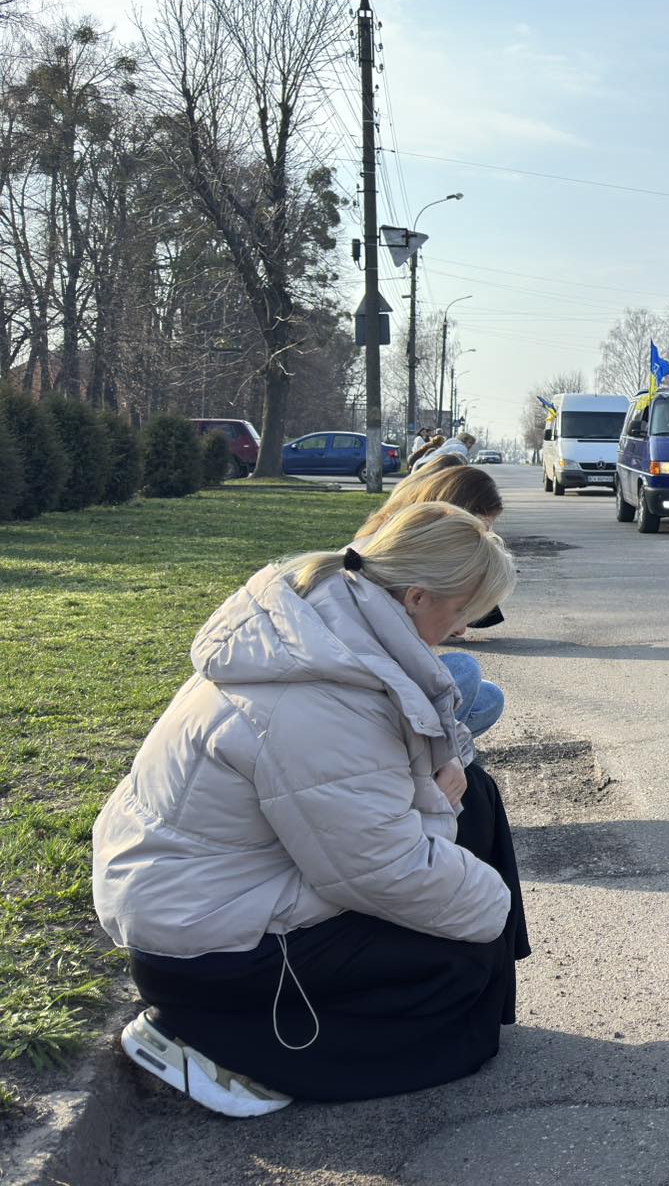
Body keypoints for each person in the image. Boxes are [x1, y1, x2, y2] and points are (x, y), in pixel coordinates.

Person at [92, 500, 527, 1117]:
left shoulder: (332, 620)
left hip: (215, 890)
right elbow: (382, 868)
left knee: (475, 797)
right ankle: (210, 1039)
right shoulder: (314, 699)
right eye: (462, 613)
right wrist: (495, 911)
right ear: (417, 598)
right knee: (458, 960)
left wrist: (445, 786)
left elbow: (423, 721)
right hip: (207, 947)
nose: (461, 631)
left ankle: (475, 986)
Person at [358, 461, 511, 730]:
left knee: (488, 698)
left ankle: (446, 754)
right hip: (364, 708)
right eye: (480, 531)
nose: (463, 630)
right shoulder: (387, 563)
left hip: (371, 694)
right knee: (464, 670)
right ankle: (435, 757)